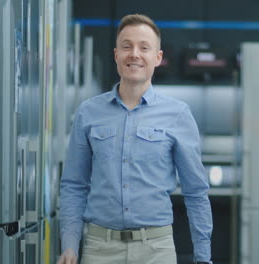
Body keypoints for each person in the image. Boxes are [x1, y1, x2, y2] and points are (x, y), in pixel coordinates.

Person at [57, 14, 213, 264]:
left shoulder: (178, 115)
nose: (135, 54)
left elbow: (196, 192)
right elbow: (74, 185)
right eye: (127, 46)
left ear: (158, 58)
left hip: (156, 250)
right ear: (116, 54)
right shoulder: (88, 112)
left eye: (144, 47)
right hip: (99, 249)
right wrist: (70, 245)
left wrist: (203, 257)